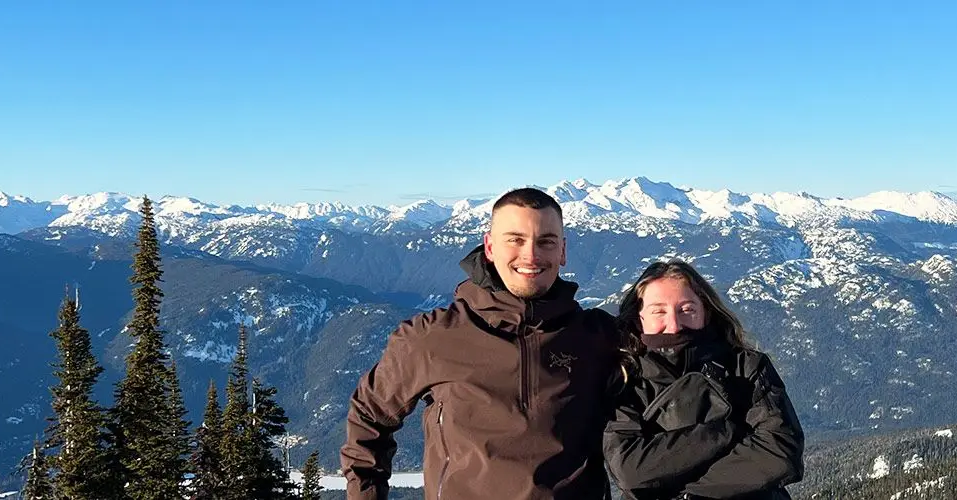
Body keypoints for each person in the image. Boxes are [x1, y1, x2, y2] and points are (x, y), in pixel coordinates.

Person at [340, 187, 622, 500]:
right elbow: (370, 417)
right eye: (515, 239)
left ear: (563, 252)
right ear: (489, 247)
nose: (531, 255)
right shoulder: (433, 337)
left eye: (546, 241)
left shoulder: (599, 337)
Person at [603, 260, 805, 500]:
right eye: (659, 311)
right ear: (639, 318)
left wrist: (688, 495)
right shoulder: (625, 378)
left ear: (705, 312)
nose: (674, 325)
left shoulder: (746, 367)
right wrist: (726, 432)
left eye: (686, 309)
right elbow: (630, 469)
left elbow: (781, 452)